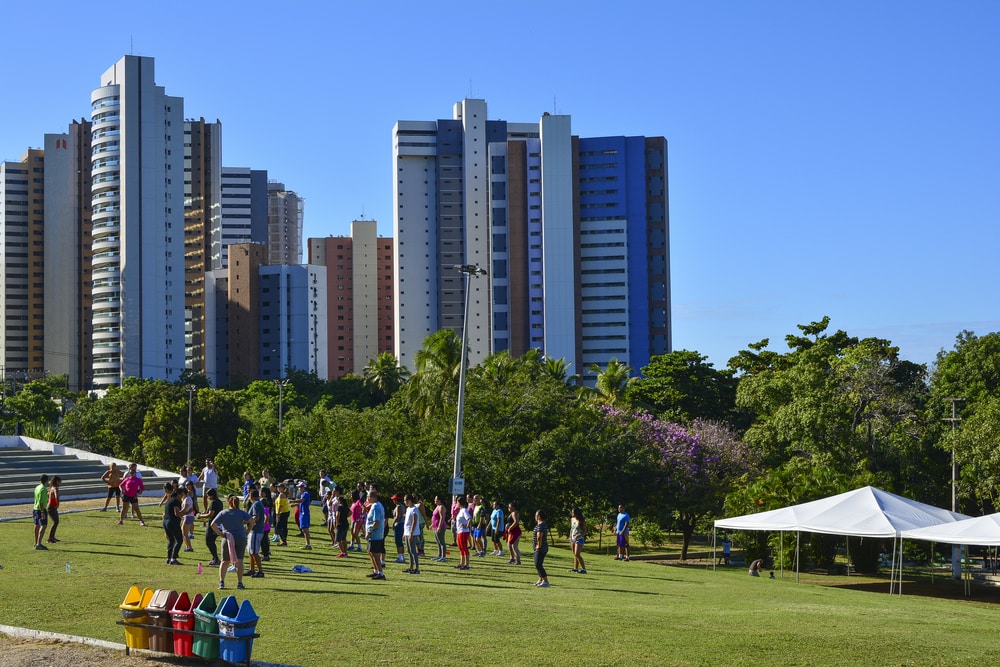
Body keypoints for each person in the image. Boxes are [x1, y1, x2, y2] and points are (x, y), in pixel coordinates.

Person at [211, 494, 256, 590]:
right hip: (240, 537)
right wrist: (247, 531)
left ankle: (221, 582)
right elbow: (252, 521)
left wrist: (220, 533)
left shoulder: (223, 513)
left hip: (227, 537)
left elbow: (213, 524)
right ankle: (239, 582)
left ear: (228, 503)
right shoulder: (241, 513)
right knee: (240, 560)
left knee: (224, 561)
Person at [198, 488, 225, 565]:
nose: (208, 497)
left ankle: (216, 558)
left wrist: (200, 516)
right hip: (219, 523)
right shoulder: (219, 502)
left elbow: (210, 514)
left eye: (208, 496)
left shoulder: (214, 502)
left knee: (208, 541)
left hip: (213, 524)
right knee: (212, 541)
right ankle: (214, 557)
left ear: (212, 495)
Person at [364, 490, 386, 580]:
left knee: (376, 554)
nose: (367, 498)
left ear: (373, 497)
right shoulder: (375, 505)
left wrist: (369, 533)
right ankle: (376, 571)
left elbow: (376, 522)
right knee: (371, 552)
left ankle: (381, 573)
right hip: (375, 534)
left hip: (375, 535)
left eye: (368, 497)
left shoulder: (376, 506)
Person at [245, 488, 267, 578]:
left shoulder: (256, 504)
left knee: (254, 552)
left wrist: (246, 522)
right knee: (250, 551)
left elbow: (256, 518)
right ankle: (252, 569)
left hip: (256, 530)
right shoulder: (257, 503)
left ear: (251, 496)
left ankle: (260, 571)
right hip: (254, 531)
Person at [162, 483, 185, 565]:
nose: (182, 496)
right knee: (179, 540)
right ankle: (174, 558)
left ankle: (168, 558)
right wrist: (186, 511)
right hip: (172, 522)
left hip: (165, 522)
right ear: (178, 494)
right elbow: (177, 513)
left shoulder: (169, 500)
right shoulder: (176, 501)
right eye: (181, 494)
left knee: (171, 540)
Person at [533, 509, 551, 587]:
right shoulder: (542, 524)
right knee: (539, 564)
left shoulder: (540, 525)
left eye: (536, 515)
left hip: (541, 548)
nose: (535, 516)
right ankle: (541, 579)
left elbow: (539, 536)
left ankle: (546, 581)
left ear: (539, 516)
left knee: (538, 564)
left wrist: (538, 546)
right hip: (543, 547)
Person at [293, 480, 312, 549]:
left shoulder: (305, 494)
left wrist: (293, 501)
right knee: (304, 529)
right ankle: (307, 544)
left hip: (305, 513)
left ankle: (308, 544)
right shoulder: (303, 494)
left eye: (300, 487)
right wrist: (295, 504)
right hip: (302, 513)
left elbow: (301, 500)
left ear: (303, 487)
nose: (299, 488)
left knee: (305, 529)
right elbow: (301, 502)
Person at [454, 495, 472, 570]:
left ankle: (467, 564)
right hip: (459, 531)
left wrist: (467, 526)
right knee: (461, 547)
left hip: (464, 532)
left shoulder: (464, 510)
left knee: (464, 547)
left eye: (457, 502)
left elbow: (469, 518)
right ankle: (462, 563)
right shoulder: (461, 510)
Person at [33, 474, 50, 549]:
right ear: (46, 481)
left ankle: (36, 542)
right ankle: (39, 544)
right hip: (41, 509)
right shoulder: (43, 489)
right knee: (43, 526)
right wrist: (42, 511)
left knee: (37, 525)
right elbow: (40, 502)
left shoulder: (37, 487)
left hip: (35, 508)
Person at [431, 495, 448, 562]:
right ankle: (439, 555)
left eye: (436, 499)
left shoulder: (441, 507)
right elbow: (434, 517)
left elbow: (442, 518)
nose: (435, 500)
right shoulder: (437, 506)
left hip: (440, 527)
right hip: (435, 526)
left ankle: (443, 556)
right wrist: (432, 525)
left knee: (441, 542)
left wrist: (439, 527)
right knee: (438, 542)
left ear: (440, 500)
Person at [569, 507, 586, 574]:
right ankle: (575, 568)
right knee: (574, 554)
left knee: (577, 554)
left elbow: (584, 531)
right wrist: (570, 536)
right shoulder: (572, 519)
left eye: (573, 512)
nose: (572, 513)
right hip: (573, 538)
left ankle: (584, 569)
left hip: (579, 538)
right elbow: (571, 528)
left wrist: (579, 535)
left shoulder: (581, 521)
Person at [181, 481, 197, 551]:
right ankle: (187, 546)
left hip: (187, 517)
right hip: (188, 516)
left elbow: (185, 509)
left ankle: (189, 547)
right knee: (183, 533)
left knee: (185, 533)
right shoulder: (186, 499)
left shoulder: (187, 499)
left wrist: (179, 513)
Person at [46, 476, 62, 544]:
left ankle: (52, 537)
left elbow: (48, 495)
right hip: (52, 507)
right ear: (57, 481)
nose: (60, 483)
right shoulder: (55, 488)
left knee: (56, 522)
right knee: (55, 522)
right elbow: (56, 496)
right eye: (59, 482)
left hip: (50, 506)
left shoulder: (51, 488)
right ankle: (50, 538)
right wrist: (57, 504)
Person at [391, 494, 406, 564]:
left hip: (399, 524)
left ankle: (400, 557)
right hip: (402, 524)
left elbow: (398, 517)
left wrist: (393, 523)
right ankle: (402, 557)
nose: (393, 500)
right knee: (400, 541)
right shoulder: (402, 506)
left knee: (398, 541)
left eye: (394, 499)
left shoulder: (398, 507)